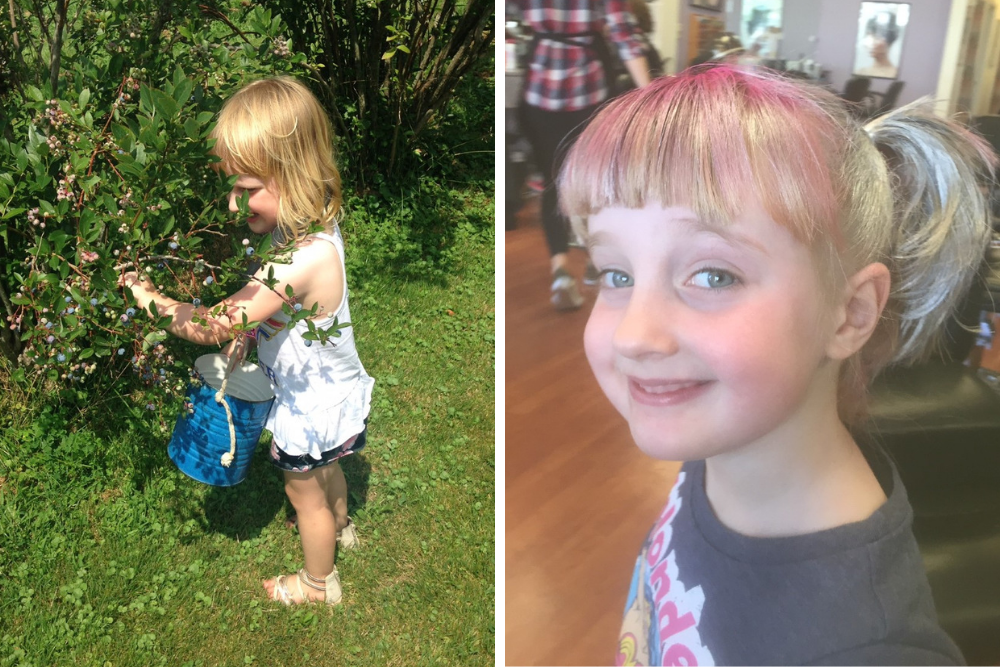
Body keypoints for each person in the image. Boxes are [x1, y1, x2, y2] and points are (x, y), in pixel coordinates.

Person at [558, 65, 992, 664]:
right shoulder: (719, 443)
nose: (635, 335)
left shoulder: (869, 648)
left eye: (713, 275)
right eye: (616, 274)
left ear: (850, 314)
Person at [121, 77, 374, 606]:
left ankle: (316, 583)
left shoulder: (297, 258)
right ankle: (343, 523)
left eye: (246, 189)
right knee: (328, 468)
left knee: (301, 491)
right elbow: (278, 310)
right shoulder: (310, 234)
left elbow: (213, 324)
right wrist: (252, 334)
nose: (234, 207)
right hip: (331, 390)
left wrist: (151, 300)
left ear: (293, 174)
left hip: (308, 404)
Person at [518, 0, 652, 310]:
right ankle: (597, 260)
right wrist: (652, 96)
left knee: (553, 184)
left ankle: (561, 272)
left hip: (539, 95)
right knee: (594, 182)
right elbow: (623, 37)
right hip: (587, 94)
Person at [857, 10, 900, 79]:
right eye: (868, 37)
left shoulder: (895, 74)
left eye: (875, 37)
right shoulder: (861, 72)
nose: (869, 43)